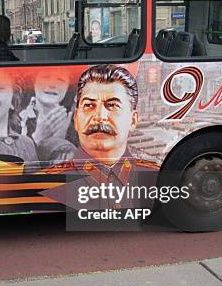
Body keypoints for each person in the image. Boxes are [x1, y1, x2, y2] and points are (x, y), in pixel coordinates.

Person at [41, 64, 158, 210]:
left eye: (113, 105)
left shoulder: (156, 179)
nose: (100, 117)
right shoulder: (47, 184)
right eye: (89, 105)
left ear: (133, 120)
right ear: (76, 118)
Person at [19, 70, 77, 162]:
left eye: (60, 80)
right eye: (45, 77)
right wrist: (38, 137)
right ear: (33, 82)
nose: (52, 85)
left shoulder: (76, 125)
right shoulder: (15, 120)